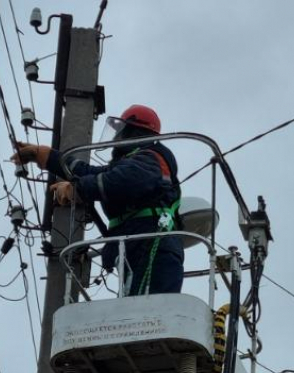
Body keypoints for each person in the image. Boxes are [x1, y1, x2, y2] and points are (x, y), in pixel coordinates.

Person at [12, 104, 184, 295]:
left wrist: (77, 190)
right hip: (141, 247)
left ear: (133, 132)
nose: (116, 139)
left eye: (121, 132)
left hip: (153, 247)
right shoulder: (134, 162)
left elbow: (119, 181)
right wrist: (46, 156)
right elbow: (90, 172)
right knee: (138, 313)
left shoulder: (151, 158)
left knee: (150, 314)